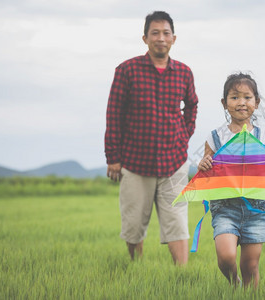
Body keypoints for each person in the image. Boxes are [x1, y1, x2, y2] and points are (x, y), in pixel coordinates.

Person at [104, 11, 198, 264]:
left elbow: (192, 106)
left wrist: (184, 135)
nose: (160, 38)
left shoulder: (184, 73)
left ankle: (182, 274)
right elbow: (114, 114)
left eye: (166, 33)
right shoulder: (127, 70)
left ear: (174, 38)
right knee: (134, 223)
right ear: (145, 38)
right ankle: (136, 267)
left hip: (174, 160)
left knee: (177, 221)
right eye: (155, 33)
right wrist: (113, 157)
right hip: (135, 162)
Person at [198, 73, 265, 288]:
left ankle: (249, 291)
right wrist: (203, 165)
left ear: (256, 103)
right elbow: (207, 169)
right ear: (224, 103)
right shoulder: (215, 136)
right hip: (224, 208)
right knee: (226, 257)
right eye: (234, 97)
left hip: (256, 210)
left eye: (247, 97)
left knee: (251, 265)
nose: (241, 102)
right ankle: (234, 283)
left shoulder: (264, 136)